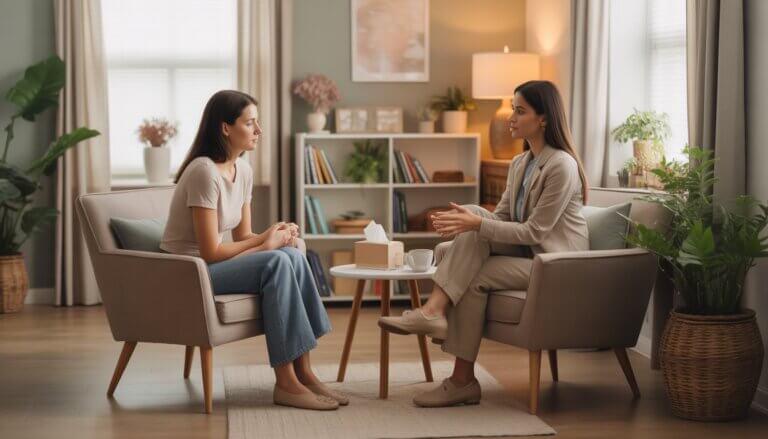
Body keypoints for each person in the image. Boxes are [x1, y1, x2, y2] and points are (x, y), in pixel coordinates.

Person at [379, 80, 590, 407]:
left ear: (544, 118)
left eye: (520, 111)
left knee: (475, 241)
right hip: (526, 255)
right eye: (513, 109)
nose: (511, 118)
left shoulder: (561, 166)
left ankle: (444, 340)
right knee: (474, 227)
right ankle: (454, 361)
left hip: (555, 263)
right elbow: (503, 216)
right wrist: (475, 220)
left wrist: (475, 223)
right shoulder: (521, 163)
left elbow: (535, 232)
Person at [160, 90, 347, 411]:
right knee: (276, 260)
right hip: (189, 271)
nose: (258, 130)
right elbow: (209, 251)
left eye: (257, 122)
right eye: (250, 123)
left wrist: (276, 234)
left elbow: (243, 234)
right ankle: (286, 382)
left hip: (213, 264)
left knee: (293, 250)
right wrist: (266, 244)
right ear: (225, 128)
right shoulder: (204, 172)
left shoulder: (241, 170)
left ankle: (304, 372)